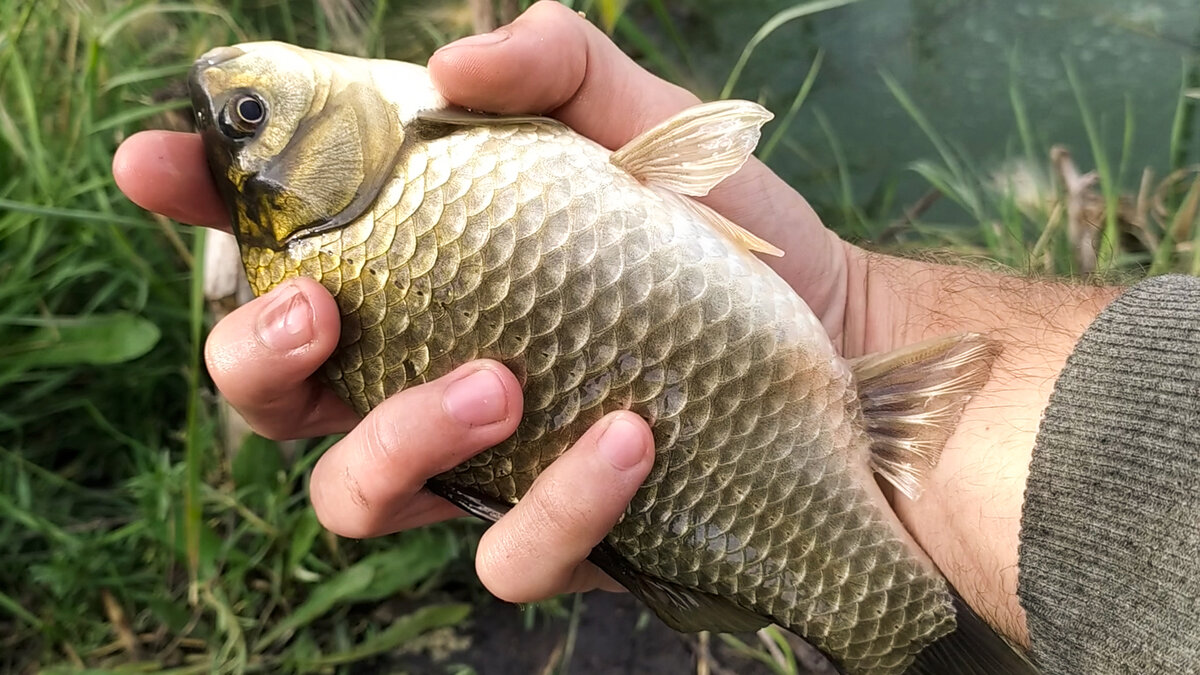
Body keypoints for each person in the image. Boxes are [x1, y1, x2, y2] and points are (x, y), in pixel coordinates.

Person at [112, 2, 1198, 671]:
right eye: (250, 124)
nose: (234, 101)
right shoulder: (398, 175)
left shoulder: (428, 142)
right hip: (841, 409)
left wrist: (861, 314)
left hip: (827, 403)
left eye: (242, 121)